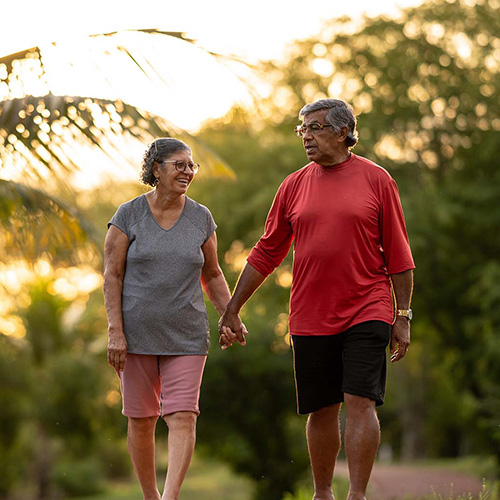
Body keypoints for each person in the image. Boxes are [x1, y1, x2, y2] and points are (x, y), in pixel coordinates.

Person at [219, 98, 415, 500]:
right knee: (321, 408)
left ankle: (357, 495)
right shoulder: (292, 185)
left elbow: (398, 253)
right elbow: (266, 251)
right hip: (310, 313)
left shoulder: (378, 180)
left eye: (314, 128)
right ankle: (322, 493)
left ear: (343, 132)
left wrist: (403, 314)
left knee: (360, 400)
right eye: (301, 129)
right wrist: (232, 308)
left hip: (368, 306)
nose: (306, 136)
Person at [103, 138, 245, 500]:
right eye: (179, 165)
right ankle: (150, 496)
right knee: (141, 418)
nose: (188, 172)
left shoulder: (201, 217)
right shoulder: (128, 215)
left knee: (183, 415)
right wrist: (115, 332)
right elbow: (112, 276)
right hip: (135, 335)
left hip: (187, 335)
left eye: (191, 166)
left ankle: (170, 498)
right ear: (157, 169)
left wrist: (229, 315)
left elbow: (212, 274)